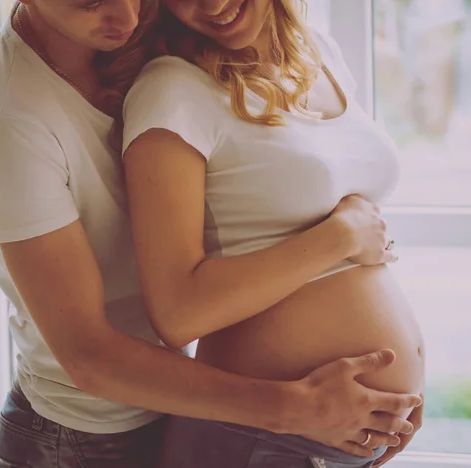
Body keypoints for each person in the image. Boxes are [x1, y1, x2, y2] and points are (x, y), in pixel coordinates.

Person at [0, 0, 422, 467]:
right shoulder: (8, 122)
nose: (128, 18)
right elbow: (88, 356)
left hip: (196, 403)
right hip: (87, 437)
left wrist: (390, 402)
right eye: (92, 2)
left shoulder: (154, 47)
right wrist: (300, 409)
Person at [120, 0, 426, 466]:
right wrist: (339, 238)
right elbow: (178, 311)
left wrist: (399, 398)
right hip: (260, 439)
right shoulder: (171, 89)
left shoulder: (319, 52)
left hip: (343, 438)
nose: (213, 5)